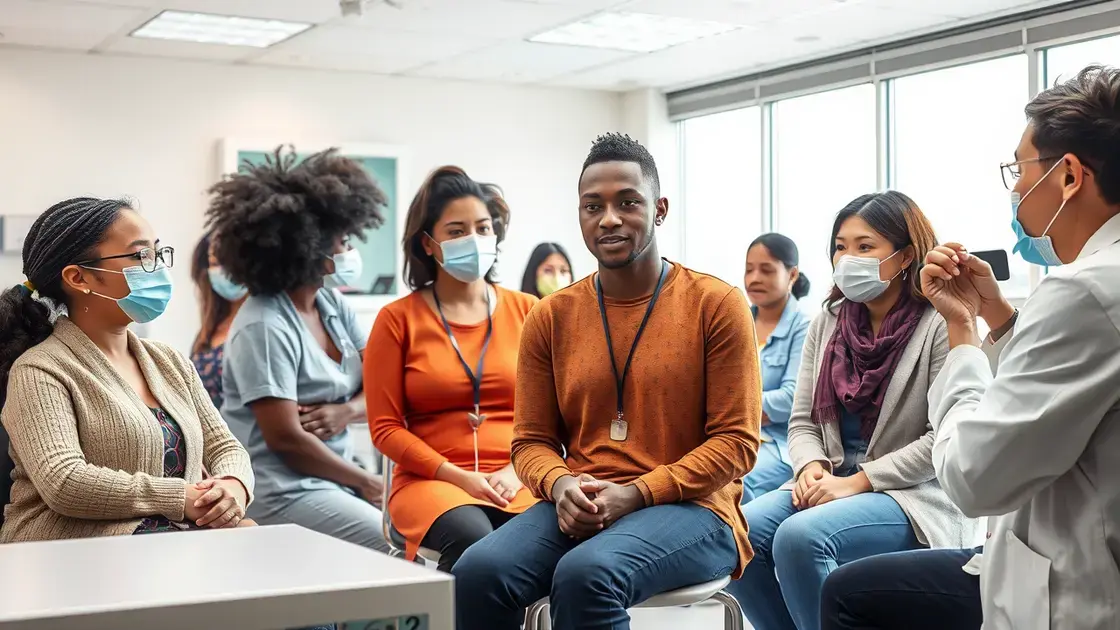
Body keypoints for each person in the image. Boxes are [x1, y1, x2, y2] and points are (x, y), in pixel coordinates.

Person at [452, 133, 760, 630]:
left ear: (659, 210)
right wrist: (561, 483)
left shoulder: (715, 305)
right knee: (476, 572)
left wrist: (636, 493)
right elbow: (530, 442)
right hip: (584, 498)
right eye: (592, 206)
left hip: (697, 509)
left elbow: (736, 445)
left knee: (586, 576)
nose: (609, 218)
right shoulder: (551, 316)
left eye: (627, 202)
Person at [882, 64, 1118, 630]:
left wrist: (962, 332)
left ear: (1068, 176)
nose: (1015, 188)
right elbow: (1070, 395)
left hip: (1076, 594)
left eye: (1020, 167)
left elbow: (973, 477)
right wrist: (998, 316)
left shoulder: (1082, 290)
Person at [729, 191, 983, 630]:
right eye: (840, 247)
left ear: (905, 257)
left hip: (915, 494)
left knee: (799, 537)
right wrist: (809, 464)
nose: (847, 258)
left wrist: (858, 482)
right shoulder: (827, 321)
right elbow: (804, 418)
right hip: (833, 478)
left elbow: (941, 438)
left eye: (865, 247)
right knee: (736, 535)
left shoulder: (941, 322)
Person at [0, 197, 253, 542]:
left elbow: (225, 447)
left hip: (158, 542)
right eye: (140, 256)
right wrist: (183, 498)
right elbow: (65, 481)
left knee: (246, 536)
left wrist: (232, 487)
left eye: (158, 253)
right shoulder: (39, 370)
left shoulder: (170, 361)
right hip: (65, 554)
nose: (157, 268)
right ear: (78, 277)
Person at [208, 147, 390, 553]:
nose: (348, 250)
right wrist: (366, 481)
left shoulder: (331, 304)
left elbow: (382, 382)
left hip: (334, 479)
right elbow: (286, 439)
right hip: (283, 490)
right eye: (341, 241)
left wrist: (347, 410)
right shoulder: (263, 325)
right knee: (394, 542)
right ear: (309, 249)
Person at [366, 167, 538, 572]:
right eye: (457, 231)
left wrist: (517, 472)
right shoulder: (396, 320)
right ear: (429, 244)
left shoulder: (531, 312)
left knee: (557, 533)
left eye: (482, 228)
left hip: (520, 478)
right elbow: (385, 428)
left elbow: (559, 416)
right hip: (433, 482)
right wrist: (460, 477)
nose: (473, 240)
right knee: (476, 539)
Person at [742, 233, 812, 502]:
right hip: (732, 435)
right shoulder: (735, 320)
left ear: (792, 274)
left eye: (766, 270)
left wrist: (733, 409)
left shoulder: (805, 327)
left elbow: (791, 399)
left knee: (736, 479)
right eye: (749, 269)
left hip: (780, 444)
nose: (754, 278)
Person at [190, 231, 247, 409]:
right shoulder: (209, 329)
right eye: (215, 263)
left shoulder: (264, 322)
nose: (225, 271)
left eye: (229, 262)